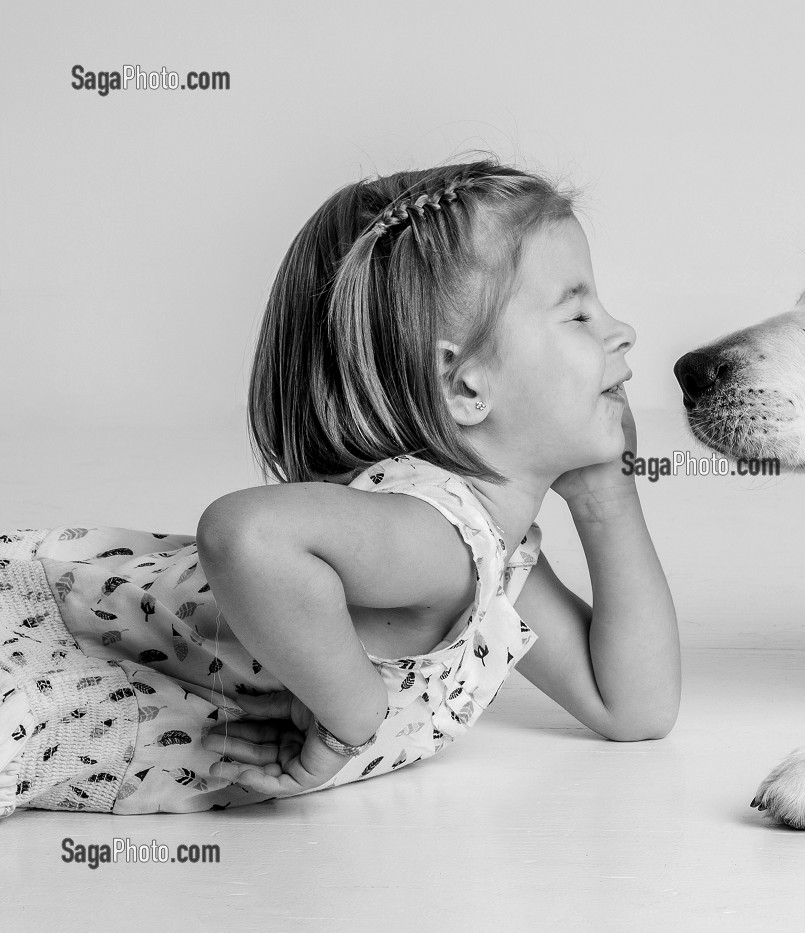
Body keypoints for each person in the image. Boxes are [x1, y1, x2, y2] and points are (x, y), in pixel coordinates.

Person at [0, 159, 680, 815]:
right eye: (578, 314)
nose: (623, 331)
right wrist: (353, 715)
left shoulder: (493, 554)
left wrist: (606, 499)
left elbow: (633, 706)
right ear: (465, 384)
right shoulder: (434, 537)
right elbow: (245, 533)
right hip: (42, 661)